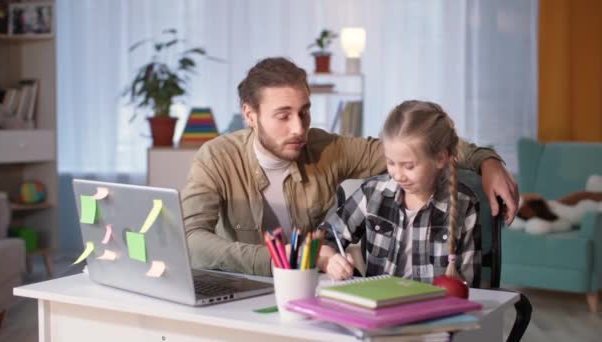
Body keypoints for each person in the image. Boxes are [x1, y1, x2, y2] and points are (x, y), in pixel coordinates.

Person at [181, 57, 517, 276]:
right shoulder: (216, 158)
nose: (299, 128)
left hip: (312, 295)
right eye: (283, 116)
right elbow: (192, 239)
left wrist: (486, 160)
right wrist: (281, 259)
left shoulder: (327, 148)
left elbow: (419, 145)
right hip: (244, 294)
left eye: (304, 111)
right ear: (250, 115)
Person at [318, 100, 480, 285]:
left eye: (409, 166)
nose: (397, 175)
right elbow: (324, 239)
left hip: (436, 311)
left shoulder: (464, 204)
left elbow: (470, 286)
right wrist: (330, 260)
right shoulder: (373, 193)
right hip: (379, 307)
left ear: (440, 158)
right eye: (391, 163)